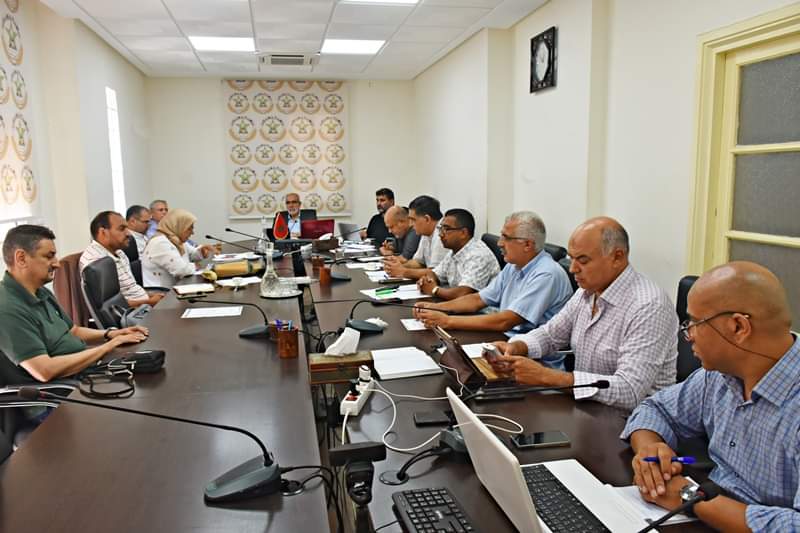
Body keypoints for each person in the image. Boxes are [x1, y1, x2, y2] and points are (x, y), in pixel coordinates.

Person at [621, 261, 799, 531]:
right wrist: (650, 449)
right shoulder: (718, 375)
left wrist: (688, 497)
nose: (688, 335)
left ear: (738, 327)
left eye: (694, 322)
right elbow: (655, 409)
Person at [488, 217, 677, 411]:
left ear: (617, 257)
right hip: (587, 407)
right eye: (571, 258)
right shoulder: (586, 292)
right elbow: (551, 334)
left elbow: (629, 391)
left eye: (583, 260)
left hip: (633, 420)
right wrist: (518, 346)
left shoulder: (649, 306)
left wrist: (546, 376)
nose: (572, 269)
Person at [0, 225, 148, 385]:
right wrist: (108, 346)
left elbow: (73, 331)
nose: (56, 264)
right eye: (49, 256)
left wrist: (111, 334)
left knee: (147, 365)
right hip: (62, 390)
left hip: (83, 370)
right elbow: (44, 371)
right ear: (21, 258)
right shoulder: (7, 308)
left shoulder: (40, 291)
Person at [414, 211, 571, 336]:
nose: (499, 243)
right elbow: (477, 299)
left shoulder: (546, 274)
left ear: (527, 245)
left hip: (530, 356)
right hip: (503, 339)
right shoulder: (513, 266)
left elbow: (506, 321)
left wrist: (447, 321)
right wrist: (436, 308)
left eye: (506, 238)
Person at [79, 211, 164, 307]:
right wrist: (151, 302)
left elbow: (131, 289)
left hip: (144, 305)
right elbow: (111, 306)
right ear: (103, 233)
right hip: (133, 312)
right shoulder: (95, 261)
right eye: (122, 229)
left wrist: (152, 297)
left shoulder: (119, 252)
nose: (128, 233)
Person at [415, 208, 500, 300]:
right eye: (440, 229)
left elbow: (463, 294)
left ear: (463, 233)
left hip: (483, 308)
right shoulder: (454, 251)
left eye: (446, 229)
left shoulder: (479, 255)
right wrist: (428, 281)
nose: (441, 234)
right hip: (459, 305)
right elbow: (434, 273)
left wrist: (434, 289)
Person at [141, 208, 214, 288]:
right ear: (178, 226)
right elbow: (181, 270)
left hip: (176, 286)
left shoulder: (175, 239)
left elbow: (191, 254)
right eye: (189, 228)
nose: (192, 232)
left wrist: (201, 252)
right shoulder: (160, 243)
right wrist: (195, 266)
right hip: (161, 292)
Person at [384, 195, 447, 280]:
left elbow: (435, 273)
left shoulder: (442, 234)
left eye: (413, 220)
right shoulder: (426, 232)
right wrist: (398, 266)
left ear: (427, 219)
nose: (411, 224)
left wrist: (403, 272)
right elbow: (418, 262)